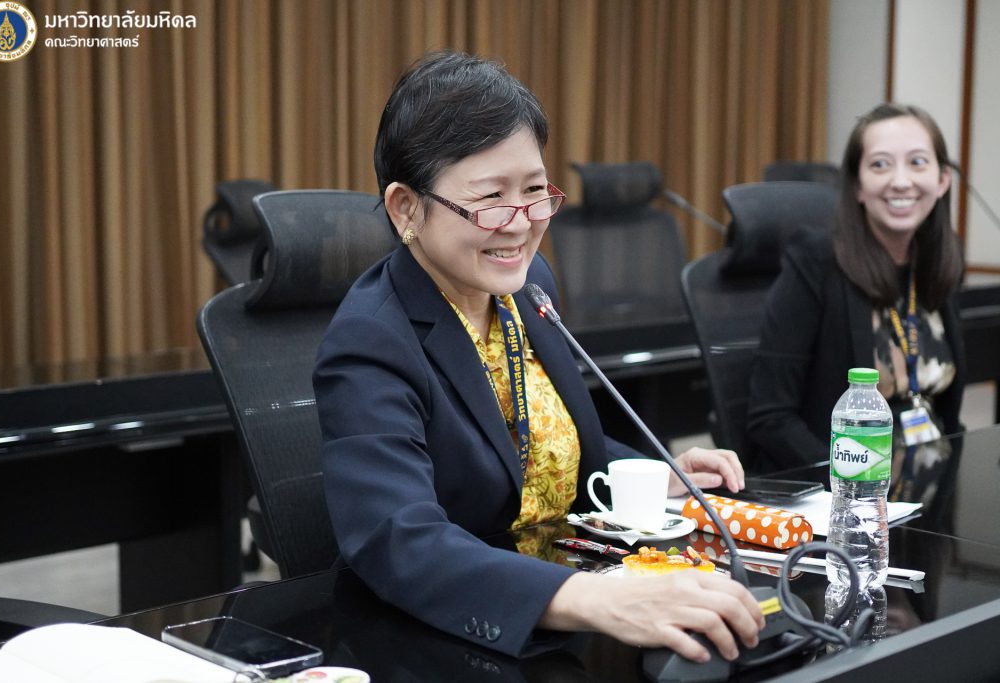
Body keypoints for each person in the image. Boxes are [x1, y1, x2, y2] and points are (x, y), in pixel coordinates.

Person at [313, 50, 763, 662]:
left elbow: (542, 446)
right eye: (492, 198)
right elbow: (399, 541)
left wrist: (651, 476)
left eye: (534, 192)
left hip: (551, 609)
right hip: (437, 636)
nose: (521, 225)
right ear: (406, 208)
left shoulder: (527, 286)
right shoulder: (371, 339)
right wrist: (596, 599)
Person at [747, 103, 966, 476]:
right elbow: (770, 417)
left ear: (942, 180)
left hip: (929, 482)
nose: (901, 181)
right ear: (857, 186)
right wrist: (852, 483)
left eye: (917, 162)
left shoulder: (937, 262)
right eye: (880, 164)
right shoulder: (815, 262)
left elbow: (947, 411)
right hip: (845, 490)